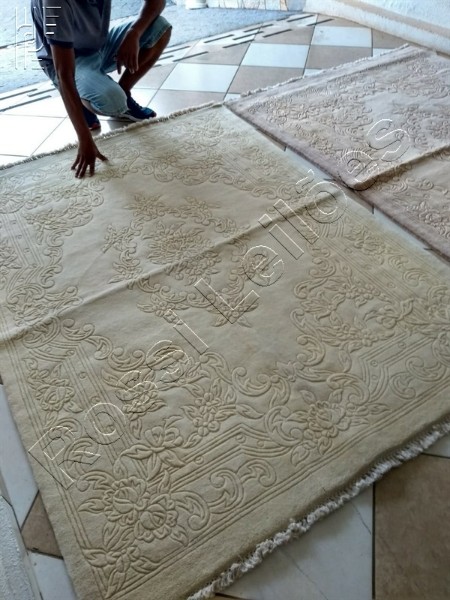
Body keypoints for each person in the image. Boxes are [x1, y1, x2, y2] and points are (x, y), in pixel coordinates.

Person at [31, 0, 171, 178]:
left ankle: (124, 92)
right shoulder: (55, 3)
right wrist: (84, 139)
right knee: (113, 102)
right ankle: (82, 100)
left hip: (97, 46)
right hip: (65, 59)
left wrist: (134, 32)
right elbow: (64, 74)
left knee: (160, 28)